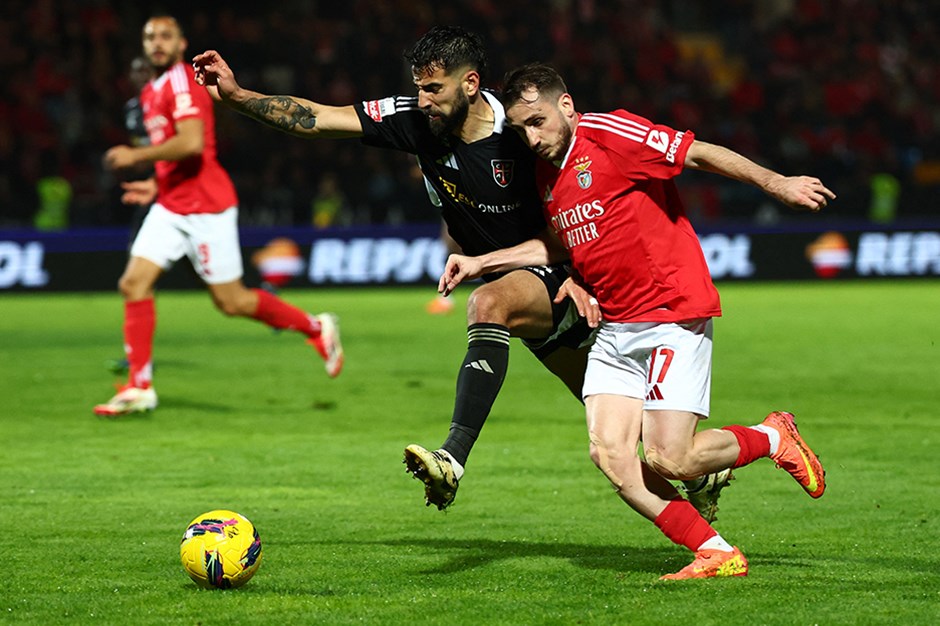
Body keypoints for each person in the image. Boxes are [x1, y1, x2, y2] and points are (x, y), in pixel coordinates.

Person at [191, 27, 728, 518]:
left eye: (435, 90)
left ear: (470, 84)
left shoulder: (521, 135)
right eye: (419, 88)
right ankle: (706, 491)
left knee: (489, 306)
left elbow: (583, 200)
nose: (423, 101)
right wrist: (238, 98)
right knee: (633, 447)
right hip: (522, 286)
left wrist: (579, 269)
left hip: (556, 273)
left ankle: (453, 457)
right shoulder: (413, 120)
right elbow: (320, 119)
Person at [437, 63, 833, 580]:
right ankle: (714, 551)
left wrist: (774, 181)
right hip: (616, 326)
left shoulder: (609, 133)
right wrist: (489, 263)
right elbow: (562, 240)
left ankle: (773, 436)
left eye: (537, 121)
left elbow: (697, 153)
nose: (531, 138)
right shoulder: (545, 174)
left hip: (671, 311)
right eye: (520, 129)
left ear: (566, 106)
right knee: (612, 456)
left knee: (673, 459)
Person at [95, 15, 343, 417]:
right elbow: (181, 154)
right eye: (149, 37)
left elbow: (192, 144)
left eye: (165, 37)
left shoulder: (180, 83)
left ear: (180, 45)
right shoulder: (151, 91)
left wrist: (135, 156)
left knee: (232, 302)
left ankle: (317, 327)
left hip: (207, 208)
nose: (156, 43)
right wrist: (155, 186)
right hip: (172, 205)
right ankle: (140, 387)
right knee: (133, 283)